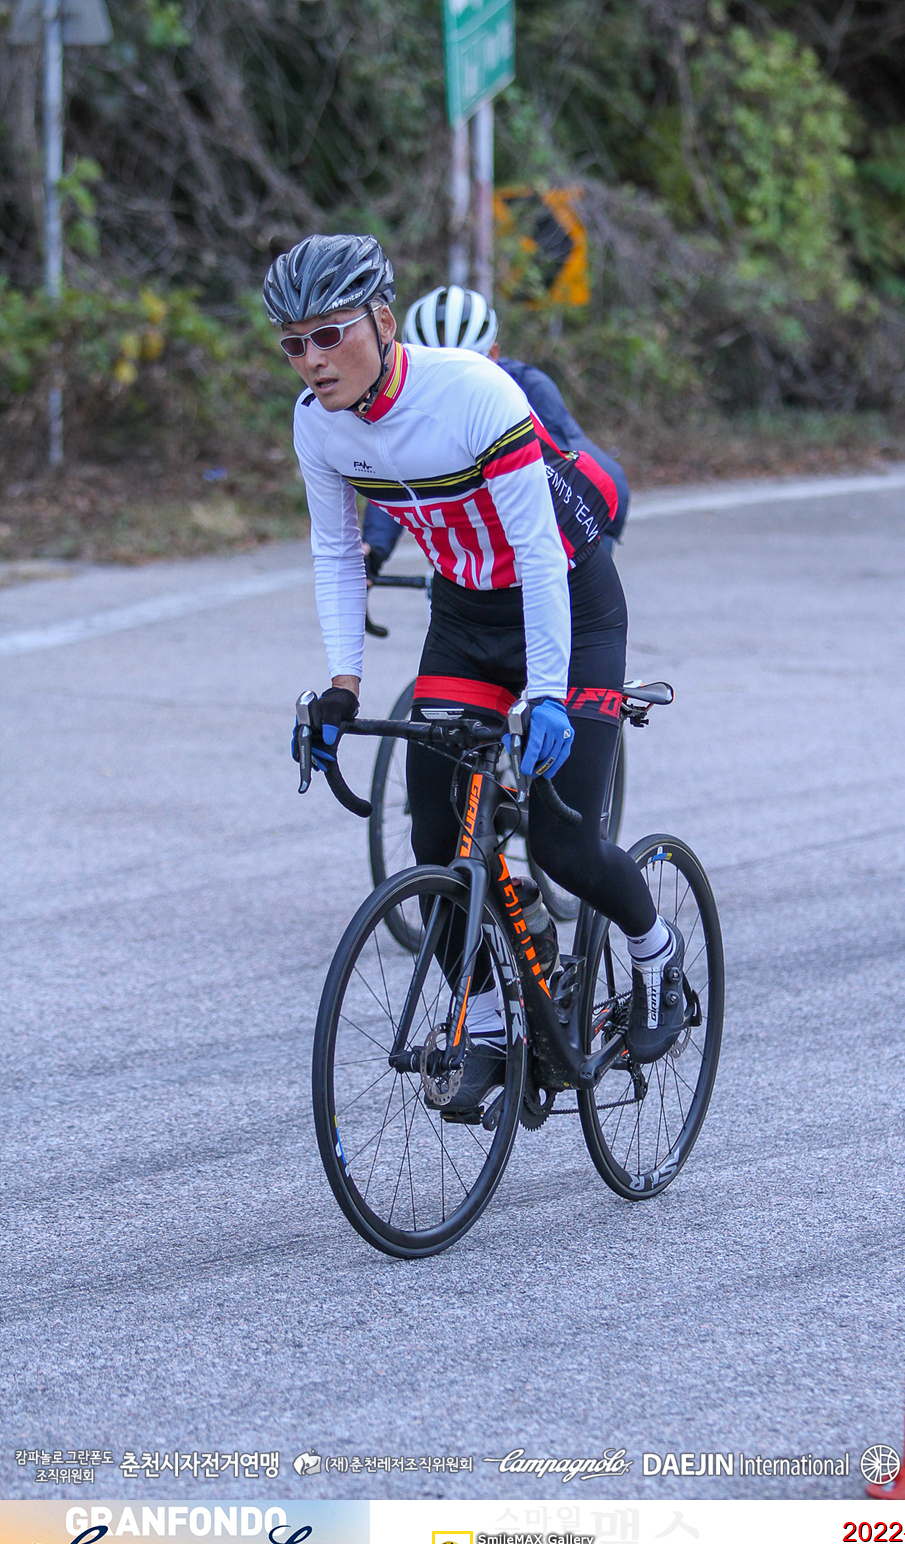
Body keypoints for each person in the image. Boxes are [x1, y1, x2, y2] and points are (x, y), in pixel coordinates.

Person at [265, 234, 682, 1119]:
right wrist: (342, 686)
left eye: (330, 335)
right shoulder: (317, 422)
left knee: (564, 846)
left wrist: (547, 693)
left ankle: (658, 955)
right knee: (437, 840)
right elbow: (337, 551)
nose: (312, 359)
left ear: (383, 323)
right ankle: (490, 1022)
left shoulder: (472, 393)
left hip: (569, 603)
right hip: (464, 617)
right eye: (294, 343)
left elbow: (538, 552)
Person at [361, 283, 629, 582]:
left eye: (464, 367)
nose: (448, 384)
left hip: (586, 505)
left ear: (493, 355)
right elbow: (398, 475)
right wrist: (374, 550)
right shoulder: (408, 403)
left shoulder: (530, 389)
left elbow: (555, 476)